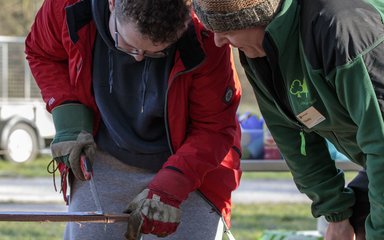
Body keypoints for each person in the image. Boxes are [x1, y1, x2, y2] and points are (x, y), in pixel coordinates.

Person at [25, 0, 242, 239]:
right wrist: (68, 115)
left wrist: (171, 188)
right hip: (104, 157)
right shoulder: (68, 6)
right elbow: (42, 52)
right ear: (111, 4)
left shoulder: (206, 36)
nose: (138, 58)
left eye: (156, 52)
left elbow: (213, 128)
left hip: (190, 167)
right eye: (127, 44)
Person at [192, 0, 384, 239]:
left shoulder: (343, 30)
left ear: (257, 19)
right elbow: (291, 138)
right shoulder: (259, 51)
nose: (219, 41)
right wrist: (336, 213)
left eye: (227, 31)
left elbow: (381, 141)